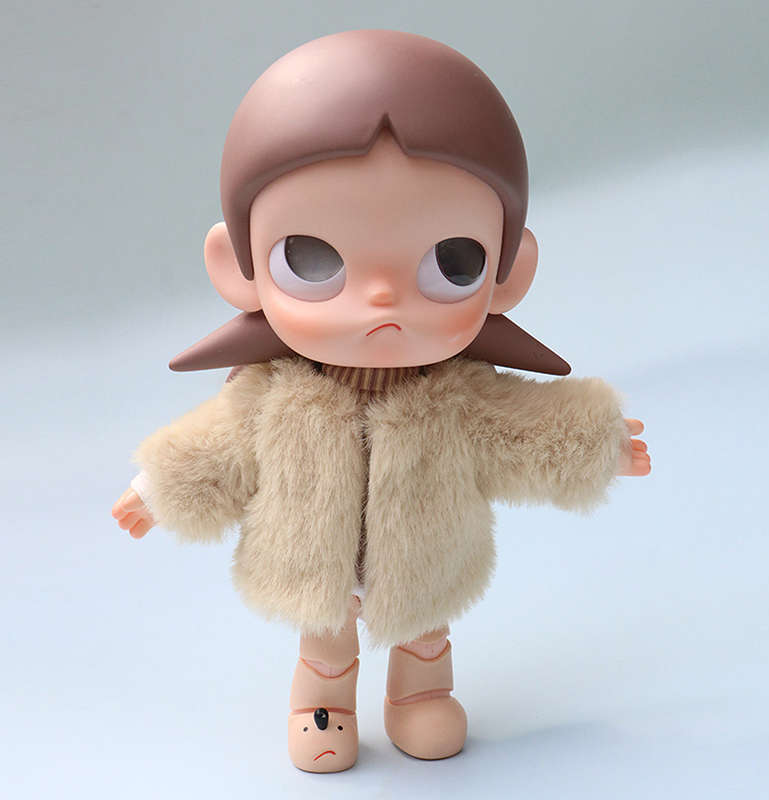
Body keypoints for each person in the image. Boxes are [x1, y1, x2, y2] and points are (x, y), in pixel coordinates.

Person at [112, 30, 650, 773]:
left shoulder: (458, 398)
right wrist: (158, 488)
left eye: (451, 263)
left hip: (426, 561)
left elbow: (523, 429)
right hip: (317, 565)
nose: (382, 300)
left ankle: (418, 697)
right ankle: (321, 707)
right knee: (326, 641)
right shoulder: (274, 394)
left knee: (425, 635)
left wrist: (595, 442)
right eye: (311, 259)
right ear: (237, 269)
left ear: (507, 275)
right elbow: (219, 443)